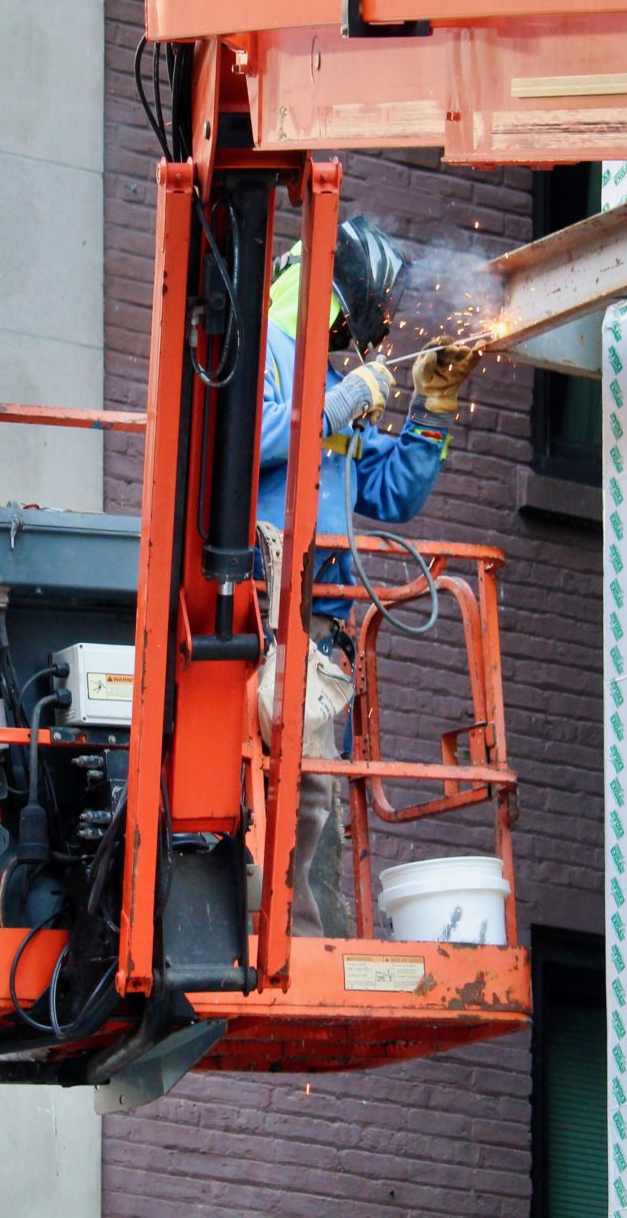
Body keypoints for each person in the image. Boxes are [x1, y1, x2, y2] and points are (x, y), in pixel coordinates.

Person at [256, 216, 479, 934]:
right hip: (250, 613)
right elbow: (249, 440)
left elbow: (390, 493)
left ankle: (294, 938)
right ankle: (264, 934)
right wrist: (343, 401)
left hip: (318, 624)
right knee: (260, 786)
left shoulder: (325, 381)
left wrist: (431, 411)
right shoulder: (257, 350)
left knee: (311, 793)